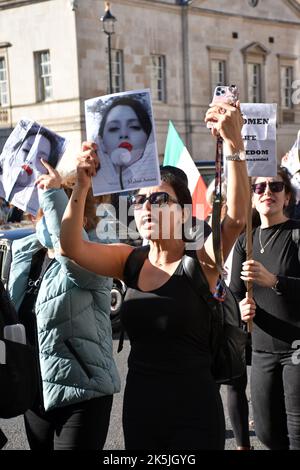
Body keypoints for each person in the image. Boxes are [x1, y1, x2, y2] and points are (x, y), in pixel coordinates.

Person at [60, 100, 249, 450]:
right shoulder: (129, 261)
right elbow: (72, 246)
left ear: (182, 213)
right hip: (141, 409)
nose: (147, 207)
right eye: (139, 198)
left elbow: (236, 220)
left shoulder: (201, 261)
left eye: (159, 200)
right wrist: (82, 185)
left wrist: (235, 145)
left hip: (195, 413)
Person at [8, 161, 120, 450]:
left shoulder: (96, 255)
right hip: (36, 391)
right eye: (46, 207)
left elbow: (72, 255)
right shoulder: (27, 256)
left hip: (82, 390)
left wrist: (58, 194)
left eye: (58, 205)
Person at [229, 166, 300, 450]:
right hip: (260, 350)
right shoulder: (246, 239)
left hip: (296, 349)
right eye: (259, 188)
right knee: (268, 433)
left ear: (287, 197)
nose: (267, 192)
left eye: (276, 187)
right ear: (253, 197)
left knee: (297, 434)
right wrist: (240, 307)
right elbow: (233, 292)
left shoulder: (296, 234)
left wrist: (275, 281)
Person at [96, 96, 155, 192]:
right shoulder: (87, 187)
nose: (124, 134)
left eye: (134, 127)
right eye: (114, 128)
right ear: (101, 142)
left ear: (147, 137)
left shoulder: (159, 189)